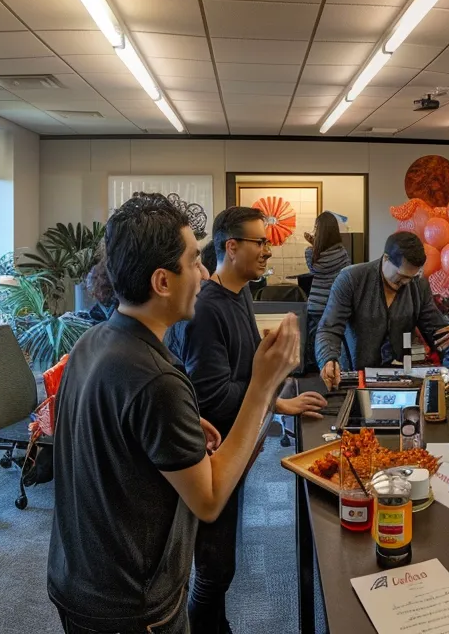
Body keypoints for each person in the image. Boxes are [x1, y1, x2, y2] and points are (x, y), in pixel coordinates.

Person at [48, 194, 301, 633]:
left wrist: (174, 428)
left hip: (78, 577)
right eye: (193, 261)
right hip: (132, 604)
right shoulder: (155, 380)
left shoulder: (95, 341)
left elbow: (109, 440)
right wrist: (263, 386)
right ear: (163, 281)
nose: (205, 273)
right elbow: (209, 499)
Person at [165, 206, 329, 633]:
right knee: (215, 568)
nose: (268, 251)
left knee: (222, 565)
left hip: (237, 447)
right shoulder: (206, 310)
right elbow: (211, 394)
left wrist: (277, 398)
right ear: (231, 246)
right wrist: (267, 390)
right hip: (215, 452)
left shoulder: (239, 295)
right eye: (261, 242)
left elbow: (243, 373)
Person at [316, 232, 449, 389]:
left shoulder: (418, 285)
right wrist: (328, 358)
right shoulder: (351, 279)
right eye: (401, 276)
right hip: (355, 378)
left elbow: (436, 330)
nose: (407, 282)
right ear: (386, 258)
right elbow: (329, 328)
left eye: (412, 277)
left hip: (401, 378)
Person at [304, 210, 351, 371]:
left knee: (314, 339)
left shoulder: (312, 254)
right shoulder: (343, 254)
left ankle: (314, 369)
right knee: (333, 339)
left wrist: (312, 243)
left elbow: (314, 268)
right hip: (334, 305)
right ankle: (332, 367)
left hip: (316, 305)